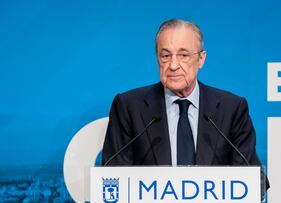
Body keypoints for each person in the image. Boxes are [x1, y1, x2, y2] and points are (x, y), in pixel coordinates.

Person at [102, 19, 268, 190]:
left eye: (183, 55)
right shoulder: (129, 107)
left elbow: (252, 182)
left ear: (201, 59)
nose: (173, 65)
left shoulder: (232, 109)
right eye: (165, 56)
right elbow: (112, 179)